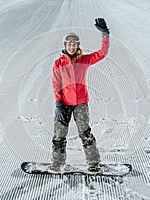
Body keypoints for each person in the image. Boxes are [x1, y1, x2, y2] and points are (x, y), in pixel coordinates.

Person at [50, 18, 110, 173]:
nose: (72, 46)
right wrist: (58, 103)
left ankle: (93, 162)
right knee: (59, 134)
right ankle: (57, 161)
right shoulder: (59, 63)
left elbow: (102, 53)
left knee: (85, 132)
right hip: (64, 103)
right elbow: (56, 83)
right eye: (69, 44)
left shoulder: (84, 60)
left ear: (77, 46)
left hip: (81, 103)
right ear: (65, 46)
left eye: (74, 44)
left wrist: (105, 35)